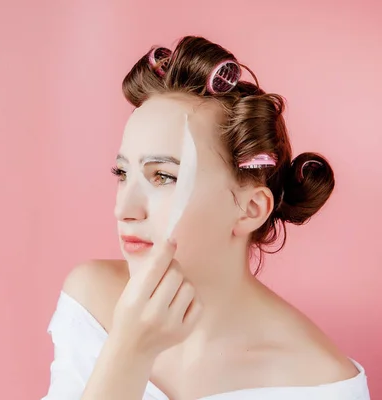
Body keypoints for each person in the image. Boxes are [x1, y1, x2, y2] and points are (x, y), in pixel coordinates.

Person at [41, 36, 370, 400]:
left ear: (250, 209)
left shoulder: (318, 381)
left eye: (163, 176)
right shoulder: (92, 301)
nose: (124, 210)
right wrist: (128, 349)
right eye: (123, 174)